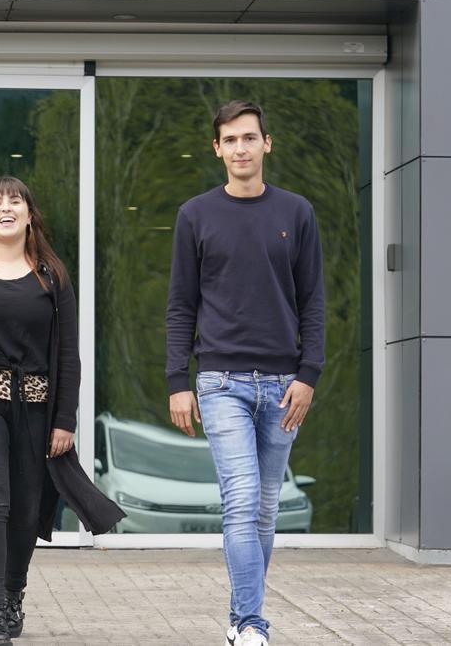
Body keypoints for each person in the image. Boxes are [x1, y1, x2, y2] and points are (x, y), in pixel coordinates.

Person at [0, 176, 125, 645]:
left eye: (15, 201)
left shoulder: (52, 274)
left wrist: (65, 419)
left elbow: (69, 354)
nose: (6, 208)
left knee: (26, 507)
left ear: (30, 215)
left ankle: (13, 593)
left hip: (35, 403)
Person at [166, 100, 325, 646]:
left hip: (285, 386)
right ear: (217, 149)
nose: (240, 148)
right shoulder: (196, 216)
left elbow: (314, 304)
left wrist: (309, 374)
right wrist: (176, 380)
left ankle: (240, 618)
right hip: (220, 382)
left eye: (249, 138)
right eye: (230, 140)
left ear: (266, 144)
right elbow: (180, 305)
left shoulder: (297, 213)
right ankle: (251, 624)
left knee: (264, 509)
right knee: (240, 497)